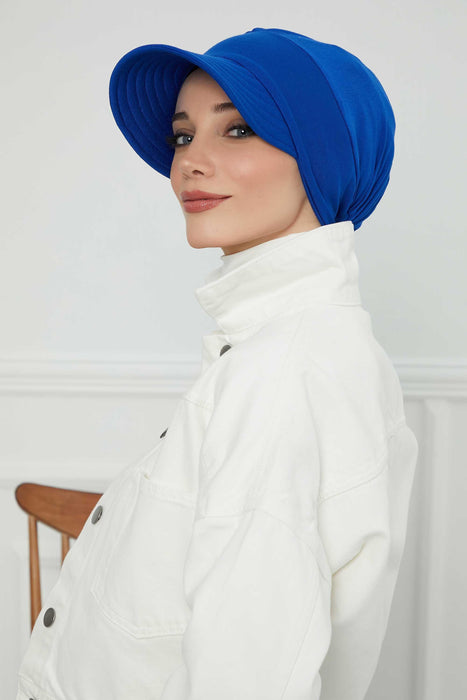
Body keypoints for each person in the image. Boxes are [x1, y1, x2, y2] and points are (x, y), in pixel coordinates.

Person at [16, 27, 419, 700]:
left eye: (238, 130)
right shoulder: (289, 347)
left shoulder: (283, 370)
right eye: (182, 136)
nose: (189, 164)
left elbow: (245, 675)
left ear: (321, 157)